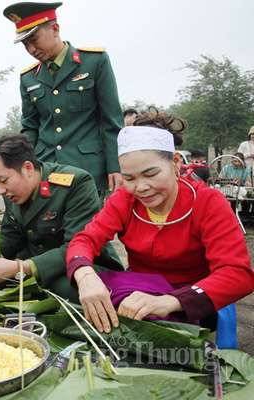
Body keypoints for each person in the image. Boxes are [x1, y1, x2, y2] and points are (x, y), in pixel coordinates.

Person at [66, 110, 254, 333]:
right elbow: (85, 240)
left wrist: (170, 301)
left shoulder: (208, 202)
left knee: (156, 326)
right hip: (138, 291)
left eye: (151, 174)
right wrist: (86, 276)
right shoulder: (124, 200)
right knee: (84, 299)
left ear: (175, 163)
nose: (141, 187)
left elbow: (236, 273)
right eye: (129, 178)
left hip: (190, 299)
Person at [0, 135, 123, 300]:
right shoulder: (12, 192)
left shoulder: (76, 183)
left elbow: (77, 246)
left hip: (84, 269)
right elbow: (10, 245)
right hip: (36, 271)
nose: (0, 191)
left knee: (61, 287)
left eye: (3, 180)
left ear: (27, 168)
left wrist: (21, 267)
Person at [3, 2, 123, 196]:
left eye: (34, 39)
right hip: (47, 170)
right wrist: (25, 169)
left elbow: (111, 121)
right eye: (25, 44)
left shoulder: (95, 62)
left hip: (88, 169)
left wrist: (115, 167)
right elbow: (30, 128)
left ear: (55, 29)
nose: (31, 49)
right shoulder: (28, 77)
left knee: (90, 226)